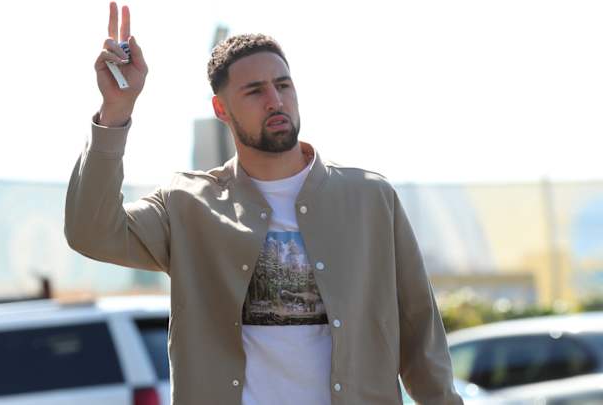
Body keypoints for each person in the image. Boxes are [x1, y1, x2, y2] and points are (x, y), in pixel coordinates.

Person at [65, 3, 464, 404]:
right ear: (221, 109)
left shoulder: (370, 198)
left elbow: (420, 332)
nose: (275, 100)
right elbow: (91, 232)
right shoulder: (188, 204)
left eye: (283, 85)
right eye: (254, 91)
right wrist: (116, 111)